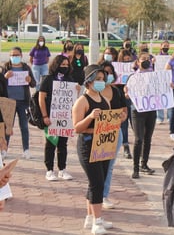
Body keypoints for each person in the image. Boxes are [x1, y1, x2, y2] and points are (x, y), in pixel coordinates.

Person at [72, 64, 115, 234]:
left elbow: (108, 122)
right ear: (88, 82)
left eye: (102, 80)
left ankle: (91, 217)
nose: (101, 82)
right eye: (97, 80)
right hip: (88, 144)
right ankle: (97, 220)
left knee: (98, 181)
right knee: (96, 182)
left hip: (103, 145)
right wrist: (90, 116)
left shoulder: (104, 99)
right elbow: (77, 128)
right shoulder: (82, 101)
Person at [39, 55, 76, 181]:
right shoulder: (48, 79)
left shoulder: (69, 79)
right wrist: (45, 116)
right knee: (50, 143)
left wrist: (77, 90)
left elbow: (73, 99)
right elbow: (41, 98)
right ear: (56, 65)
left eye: (67, 65)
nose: (65, 67)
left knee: (63, 144)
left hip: (65, 118)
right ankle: (49, 170)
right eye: (62, 65)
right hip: (51, 117)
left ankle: (62, 169)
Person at [100, 61, 128, 208]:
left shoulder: (117, 91)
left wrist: (122, 116)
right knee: (97, 167)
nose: (108, 75)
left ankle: (104, 195)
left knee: (109, 166)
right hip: (97, 133)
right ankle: (95, 195)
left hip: (114, 132)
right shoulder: (93, 93)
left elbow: (124, 111)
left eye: (110, 72)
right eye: (105, 72)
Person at [3, 47, 36, 159]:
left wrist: (29, 80)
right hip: (9, 102)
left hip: (23, 101)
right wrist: (4, 77)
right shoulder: (6, 67)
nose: (15, 57)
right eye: (12, 55)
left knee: (24, 126)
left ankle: (26, 150)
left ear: (21, 56)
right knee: (8, 127)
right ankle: (4, 150)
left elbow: (33, 84)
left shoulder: (26, 67)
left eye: (17, 55)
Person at [129, 51, 158, 179]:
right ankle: (135, 168)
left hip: (151, 110)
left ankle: (144, 164)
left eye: (148, 59)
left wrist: (168, 86)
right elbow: (128, 91)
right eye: (143, 59)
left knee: (148, 139)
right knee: (138, 139)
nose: (146, 61)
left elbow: (161, 89)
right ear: (138, 62)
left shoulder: (155, 76)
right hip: (138, 110)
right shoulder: (133, 77)